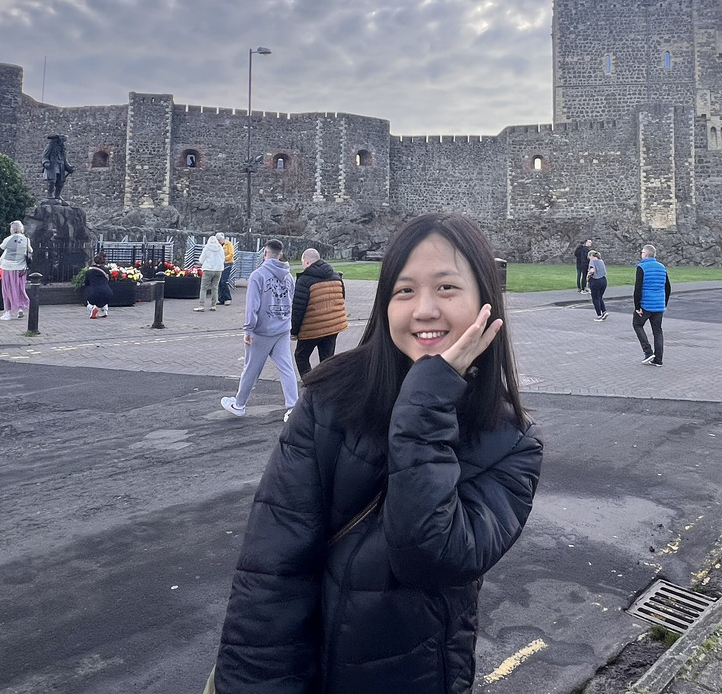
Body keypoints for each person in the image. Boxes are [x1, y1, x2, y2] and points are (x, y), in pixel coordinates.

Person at [213, 213, 542, 693]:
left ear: (485, 302)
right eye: (404, 291)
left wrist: (427, 401)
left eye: (447, 288)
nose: (423, 309)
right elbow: (271, 576)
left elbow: (430, 557)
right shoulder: (330, 401)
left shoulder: (512, 444)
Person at [221, 240, 300, 419]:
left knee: (251, 369)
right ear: (280, 254)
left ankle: (239, 404)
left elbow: (252, 306)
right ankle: (293, 406)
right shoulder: (288, 276)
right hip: (282, 327)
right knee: (286, 368)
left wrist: (248, 329)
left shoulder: (258, 275)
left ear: (265, 253)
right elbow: (291, 301)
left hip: (262, 329)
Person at [291, 247, 348, 375]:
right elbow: (341, 297)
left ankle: (310, 384)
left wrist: (294, 331)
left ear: (306, 262)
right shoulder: (336, 277)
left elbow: (298, 309)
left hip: (312, 328)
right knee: (327, 359)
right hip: (333, 326)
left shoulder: (304, 281)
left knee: (301, 356)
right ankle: (326, 386)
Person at [633, 244, 670, 366]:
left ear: (646, 254)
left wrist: (637, 306)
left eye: (642, 252)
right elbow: (667, 287)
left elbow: (638, 288)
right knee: (657, 331)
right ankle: (658, 359)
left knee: (637, 324)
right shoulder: (662, 267)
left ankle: (648, 351)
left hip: (646, 304)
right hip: (659, 304)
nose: (641, 254)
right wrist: (664, 302)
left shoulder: (642, 267)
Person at [0, 220, 31, 321]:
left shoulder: (8, 239)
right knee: (19, 288)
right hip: (21, 268)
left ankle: (7, 312)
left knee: (8, 289)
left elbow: (2, 247)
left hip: (8, 267)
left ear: (12, 229)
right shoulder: (26, 240)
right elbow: (30, 250)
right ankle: (19, 307)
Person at [196, 234, 226, 312]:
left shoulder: (207, 247)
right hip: (218, 270)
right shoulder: (220, 248)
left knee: (203, 288)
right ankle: (213, 305)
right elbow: (223, 259)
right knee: (215, 288)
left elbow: (201, 259)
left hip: (208, 269)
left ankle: (201, 305)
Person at [82, 254, 113, 319]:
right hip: (108, 292)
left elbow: (86, 283)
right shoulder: (106, 270)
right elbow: (109, 280)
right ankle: (105, 311)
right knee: (103, 299)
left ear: (94, 261)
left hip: (94, 292)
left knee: (89, 301)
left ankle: (94, 308)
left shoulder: (89, 272)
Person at [586, 249, 608, 321]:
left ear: (591, 256)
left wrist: (588, 274)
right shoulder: (601, 261)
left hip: (596, 281)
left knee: (595, 298)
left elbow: (592, 270)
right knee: (600, 297)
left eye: (589, 257)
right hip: (603, 280)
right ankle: (604, 311)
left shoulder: (592, 261)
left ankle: (599, 315)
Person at [217, 232, 237, 306]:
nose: (219, 241)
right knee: (219, 281)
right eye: (218, 240)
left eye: (220, 240)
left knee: (224, 281)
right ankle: (221, 298)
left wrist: (223, 259)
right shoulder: (218, 245)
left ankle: (228, 298)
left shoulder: (228, 244)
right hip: (220, 264)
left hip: (228, 263)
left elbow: (231, 254)